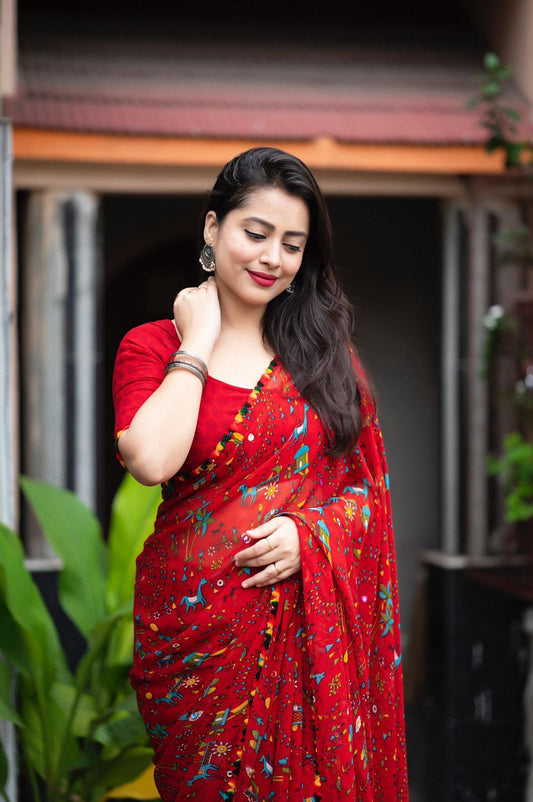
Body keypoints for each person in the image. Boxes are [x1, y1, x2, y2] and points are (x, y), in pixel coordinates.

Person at [113, 146, 408, 801]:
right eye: (256, 233)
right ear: (213, 228)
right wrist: (195, 342)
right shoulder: (153, 346)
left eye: (293, 244)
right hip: (194, 654)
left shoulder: (326, 363)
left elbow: (366, 497)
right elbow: (150, 460)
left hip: (303, 656)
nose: (272, 256)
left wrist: (313, 535)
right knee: (205, 779)